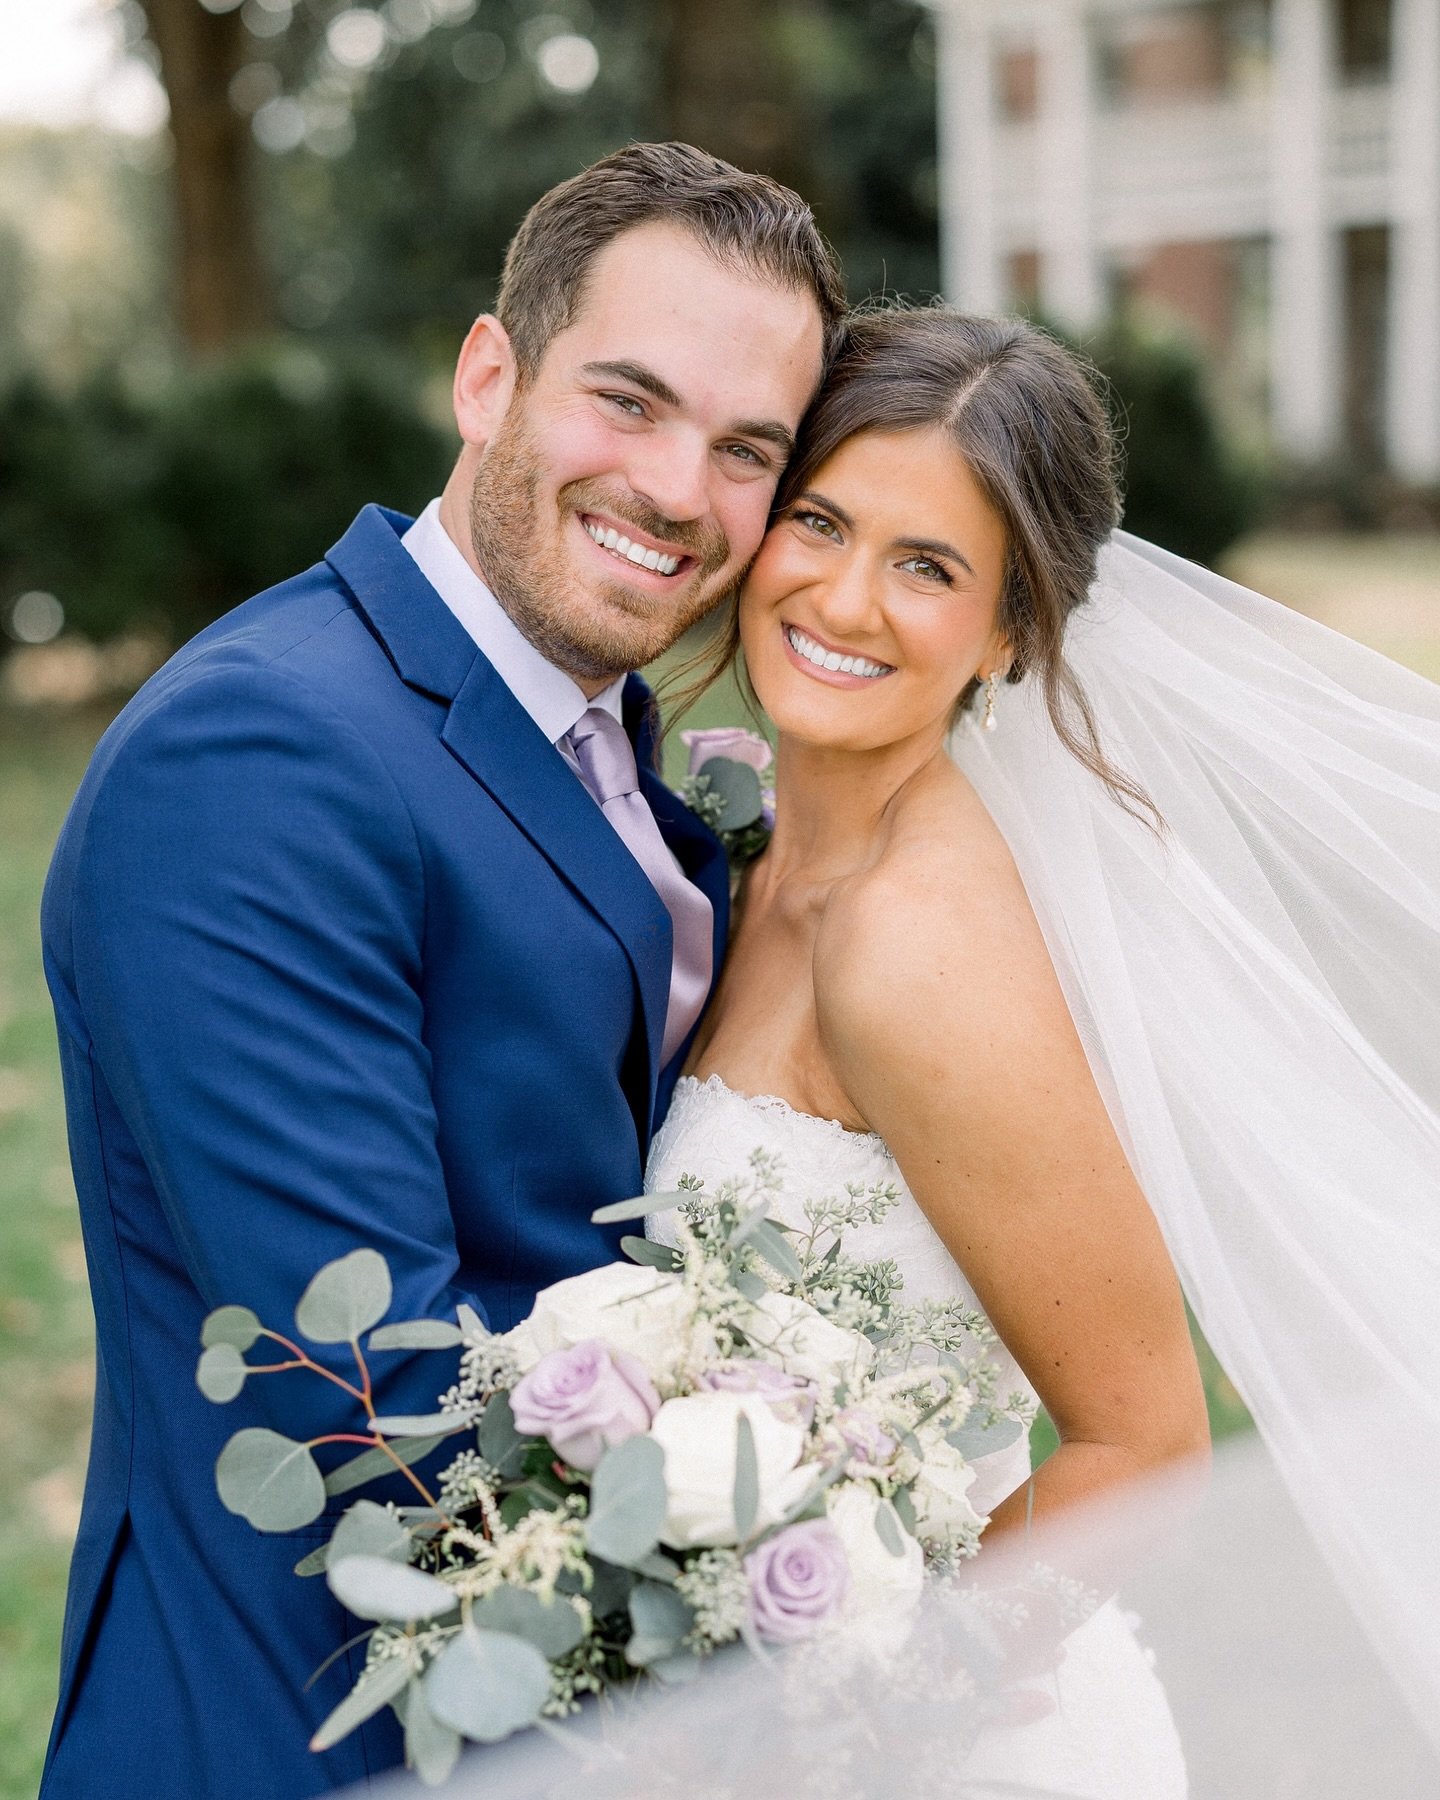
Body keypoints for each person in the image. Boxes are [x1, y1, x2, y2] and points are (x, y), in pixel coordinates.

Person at [38, 142, 843, 1800]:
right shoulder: (259, 750)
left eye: (746, 449)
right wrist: (801, 1504)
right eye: (627, 401)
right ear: (490, 375)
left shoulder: (607, 725)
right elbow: (377, 1394)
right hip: (295, 1728)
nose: (681, 492)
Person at [646, 305, 1440, 1787]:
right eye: (819, 521)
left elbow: (1145, 1445)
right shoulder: (755, 859)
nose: (842, 596)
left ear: (1012, 631)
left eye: (929, 567)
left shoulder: (914, 946)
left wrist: (872, 1698)